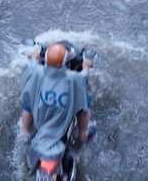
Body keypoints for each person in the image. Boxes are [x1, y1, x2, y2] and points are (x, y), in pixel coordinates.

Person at [18, 42, 95, 173]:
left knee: (29, 97)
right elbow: (83, 79)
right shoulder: (73, 78)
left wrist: (34, 56)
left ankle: (24, 131)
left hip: (41, 123)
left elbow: (29, 69)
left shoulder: (37, 72)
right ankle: (83, 134)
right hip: (60, 126)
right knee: (84, 102)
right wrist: (86, 66)